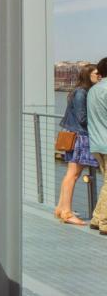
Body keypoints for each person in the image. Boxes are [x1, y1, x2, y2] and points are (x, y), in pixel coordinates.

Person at [55, 64, 101, 225]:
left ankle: (61, 208)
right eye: (96, 74)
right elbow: (82, 118)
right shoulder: (82, 93)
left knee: (70, 174)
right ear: (88, 75)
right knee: (73, 175)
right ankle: (67, 212)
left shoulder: (77, 91)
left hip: (73, 136)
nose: (99, 76)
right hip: (80, 138)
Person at [88, 57, 107, 234]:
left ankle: (96, 218)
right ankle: (105, 222)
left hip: (96, 143)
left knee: (106, 182)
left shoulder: (93, 90)